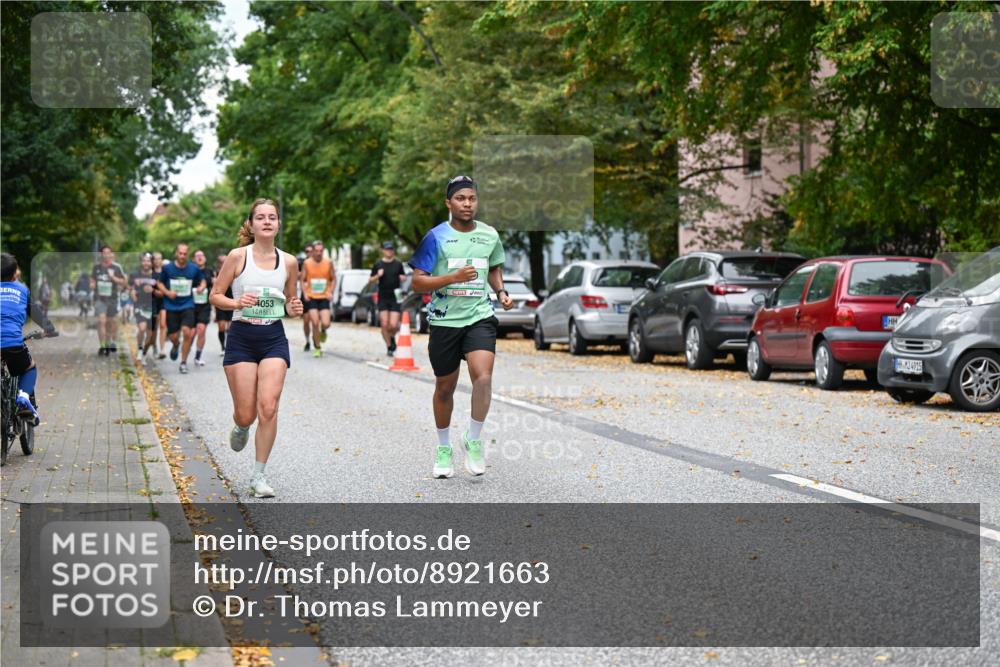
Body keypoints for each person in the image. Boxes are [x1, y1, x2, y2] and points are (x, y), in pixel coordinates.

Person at [409, 176, 512, 478]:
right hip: (444, 320)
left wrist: (501, 292)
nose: (467, 204)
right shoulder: (435, 237)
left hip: (479, 316)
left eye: (472, 198)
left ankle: (474, 438)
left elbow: (493, 268)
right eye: (461, 198)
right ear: (449, 203)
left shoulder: (489, 235)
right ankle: (444, 449)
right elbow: (417, 282)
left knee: (483, 377)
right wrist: (452, 278)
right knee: (445, 388)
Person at [210, 200, 303, 498]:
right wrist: (237, 303)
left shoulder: (288, 261)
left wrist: (294, 306)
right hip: (241, 337)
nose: (266, 222)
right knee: (247, 413)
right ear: (250, 224)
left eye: (272, 217)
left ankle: (258, 476)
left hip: (273, 336)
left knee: (269, 406)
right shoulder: (238, 257)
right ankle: (240, 426)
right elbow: (215, 296)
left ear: (278, 224)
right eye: (260, 217)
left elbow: (290, 301)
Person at [1, 253, 57, 425]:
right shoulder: (21, 290)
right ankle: (24, 397)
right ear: (14, 275)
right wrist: (49, 328)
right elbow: (36, 313)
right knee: (29, 367)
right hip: (12, 343)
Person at [156, 243, 206, 374]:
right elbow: (159, 283)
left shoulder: (193, 268)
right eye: (180, 253)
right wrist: (167, 293)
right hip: (171, 305)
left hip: (187, 304)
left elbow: (203, 280)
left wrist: (201, 287)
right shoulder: (167, 268)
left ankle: (183, 362)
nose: (182, 256)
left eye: (185, 254)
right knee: (173, 336)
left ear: (187, 254)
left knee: (188, 332)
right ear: (176, 253)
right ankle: (176, 344)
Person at [369, 241, 407, 356]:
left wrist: (403, 277)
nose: (389, 251)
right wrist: (377, 276)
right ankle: (389, 346)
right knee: (384, 324)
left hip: (395, 296)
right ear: (383, 250)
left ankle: (391, 337)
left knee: (394, 325)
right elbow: (370, 280)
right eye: (387, 249)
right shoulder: (378, 264)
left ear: (393, 250)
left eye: (391, 249)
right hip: (383, 296)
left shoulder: (398, 264)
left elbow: (403, 276)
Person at [90, 245, 128, 355]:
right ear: (101, 254)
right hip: (100, 298)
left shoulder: (117, 267)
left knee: (111, 323)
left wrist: (113, 278)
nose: (106, 255)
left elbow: (124, 282)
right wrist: (92, 284)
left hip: (113, 299)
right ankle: (102, 346)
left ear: (111, 254)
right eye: (104, 253)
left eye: (108, 253)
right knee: (101, 321)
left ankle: (110, 341)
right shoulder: (96, 267)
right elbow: (92, 279)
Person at [300, 240, 336, 358]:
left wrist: (330, 291)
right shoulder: (307, 263)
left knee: (326, 323)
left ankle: (323, 331)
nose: (319, 253)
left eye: (321, 251)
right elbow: (302, 279)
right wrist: (305, 293)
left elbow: (333, 278)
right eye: (317, 251)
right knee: (314, 322)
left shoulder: (328, 263)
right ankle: (317, 347)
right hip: (311, 297)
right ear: (313, 251)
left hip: (324, 297)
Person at [130, 252, 158, 364]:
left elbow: (161, 290)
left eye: (148, 261)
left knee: (150, 334)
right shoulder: (134, 275)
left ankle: (145, 352)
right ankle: (140, 349)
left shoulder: (156, 275)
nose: (146, 263)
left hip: (152, 305)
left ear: (151, 262)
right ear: (141, 262)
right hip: (140, 305)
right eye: (144, 260)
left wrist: (154, 291)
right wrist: (132, 293)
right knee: (142, 328)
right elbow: (130, 287)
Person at [192, 250, 215, 366]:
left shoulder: (210, 271)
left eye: (202, 255)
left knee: (201, 330)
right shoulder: (190, 270)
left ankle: (198, 356)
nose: (200, 258)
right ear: (193, 259)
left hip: (205, 305)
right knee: (190, 333)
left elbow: (215, 286)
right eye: (197, 256)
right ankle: (184, 351)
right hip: (190, 305)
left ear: (205, 258)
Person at [214, 253, 233, 356]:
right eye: (221, 262)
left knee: (230, 327)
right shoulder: (215, 273)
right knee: (221, 326)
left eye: (225, 261)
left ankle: (229, 347)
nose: (223, 263)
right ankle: (223, 347)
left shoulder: (233, 272)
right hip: (220, 304)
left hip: (231, 302)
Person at [153, 252, 168, 358]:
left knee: (163, 325)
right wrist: (154, 291)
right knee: (154, 326)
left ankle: (162, 350)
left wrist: (164, 292)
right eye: (155, 259)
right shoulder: (150, 273)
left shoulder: (166, 272)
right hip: (152, 301)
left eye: (159, 259)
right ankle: (153, 345)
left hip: (164, 300)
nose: (157, 261)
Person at [300, 242, 314, 351]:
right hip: (305, 294)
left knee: (316, 319)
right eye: (307, 251)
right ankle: (307, 341)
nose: (309, 253)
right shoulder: (302, 263)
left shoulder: (318, 262)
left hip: (318, 294)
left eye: (310, 251)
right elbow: (297, 276)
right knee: (306, 320)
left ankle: (318, 335)